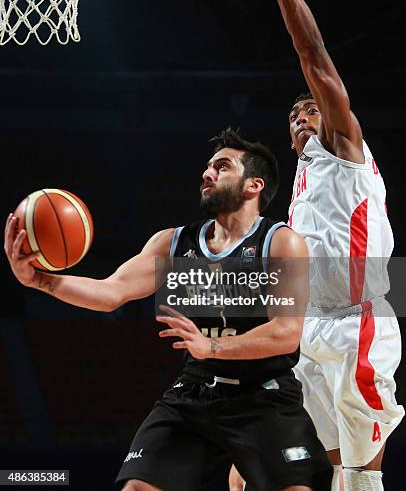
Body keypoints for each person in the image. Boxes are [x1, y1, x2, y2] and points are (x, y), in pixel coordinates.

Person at [4, 128, 332, 491]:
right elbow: (110, 292)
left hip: (265, 396)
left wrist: (213, 347)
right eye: (208, 166)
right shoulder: (173, 244)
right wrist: (40, 281)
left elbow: (286, 333)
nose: (207, 173)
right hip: (196, 392)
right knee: (138, 489)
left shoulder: (280, 242)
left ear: (254, 185)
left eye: (222, 167)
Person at [224, 0, 404, 491]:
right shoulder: (299, 185)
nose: (303, 117)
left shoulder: (346, 148)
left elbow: (312, 52)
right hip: (312, 330)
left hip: (359, 323)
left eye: (311, 109)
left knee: (361, 473)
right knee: (327, 467)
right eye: (294, 116)